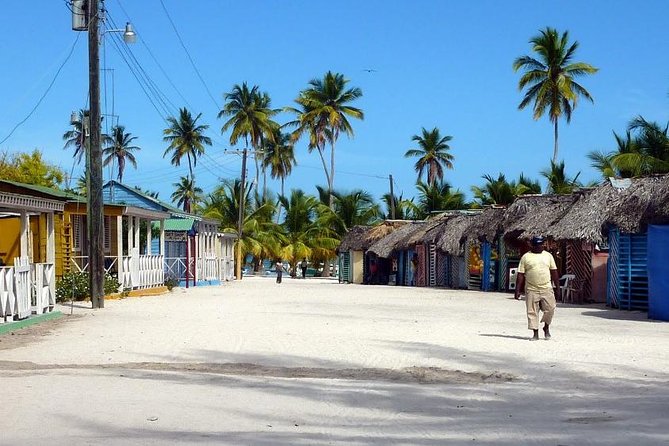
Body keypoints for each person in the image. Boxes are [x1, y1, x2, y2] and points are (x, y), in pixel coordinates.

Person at [514, 236, 560, 341]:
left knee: (550, 308)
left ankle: (546, 327)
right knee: (532, 312)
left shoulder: (548, 256)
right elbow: (520, 274)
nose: (540, 246)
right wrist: (517, 291)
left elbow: (554, 272)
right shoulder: (526, 257)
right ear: (533, 245)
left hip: (546, 288)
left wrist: (557, 287)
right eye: (538, 245)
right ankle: (535, 333)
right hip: (531, 288)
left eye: (541, 244)